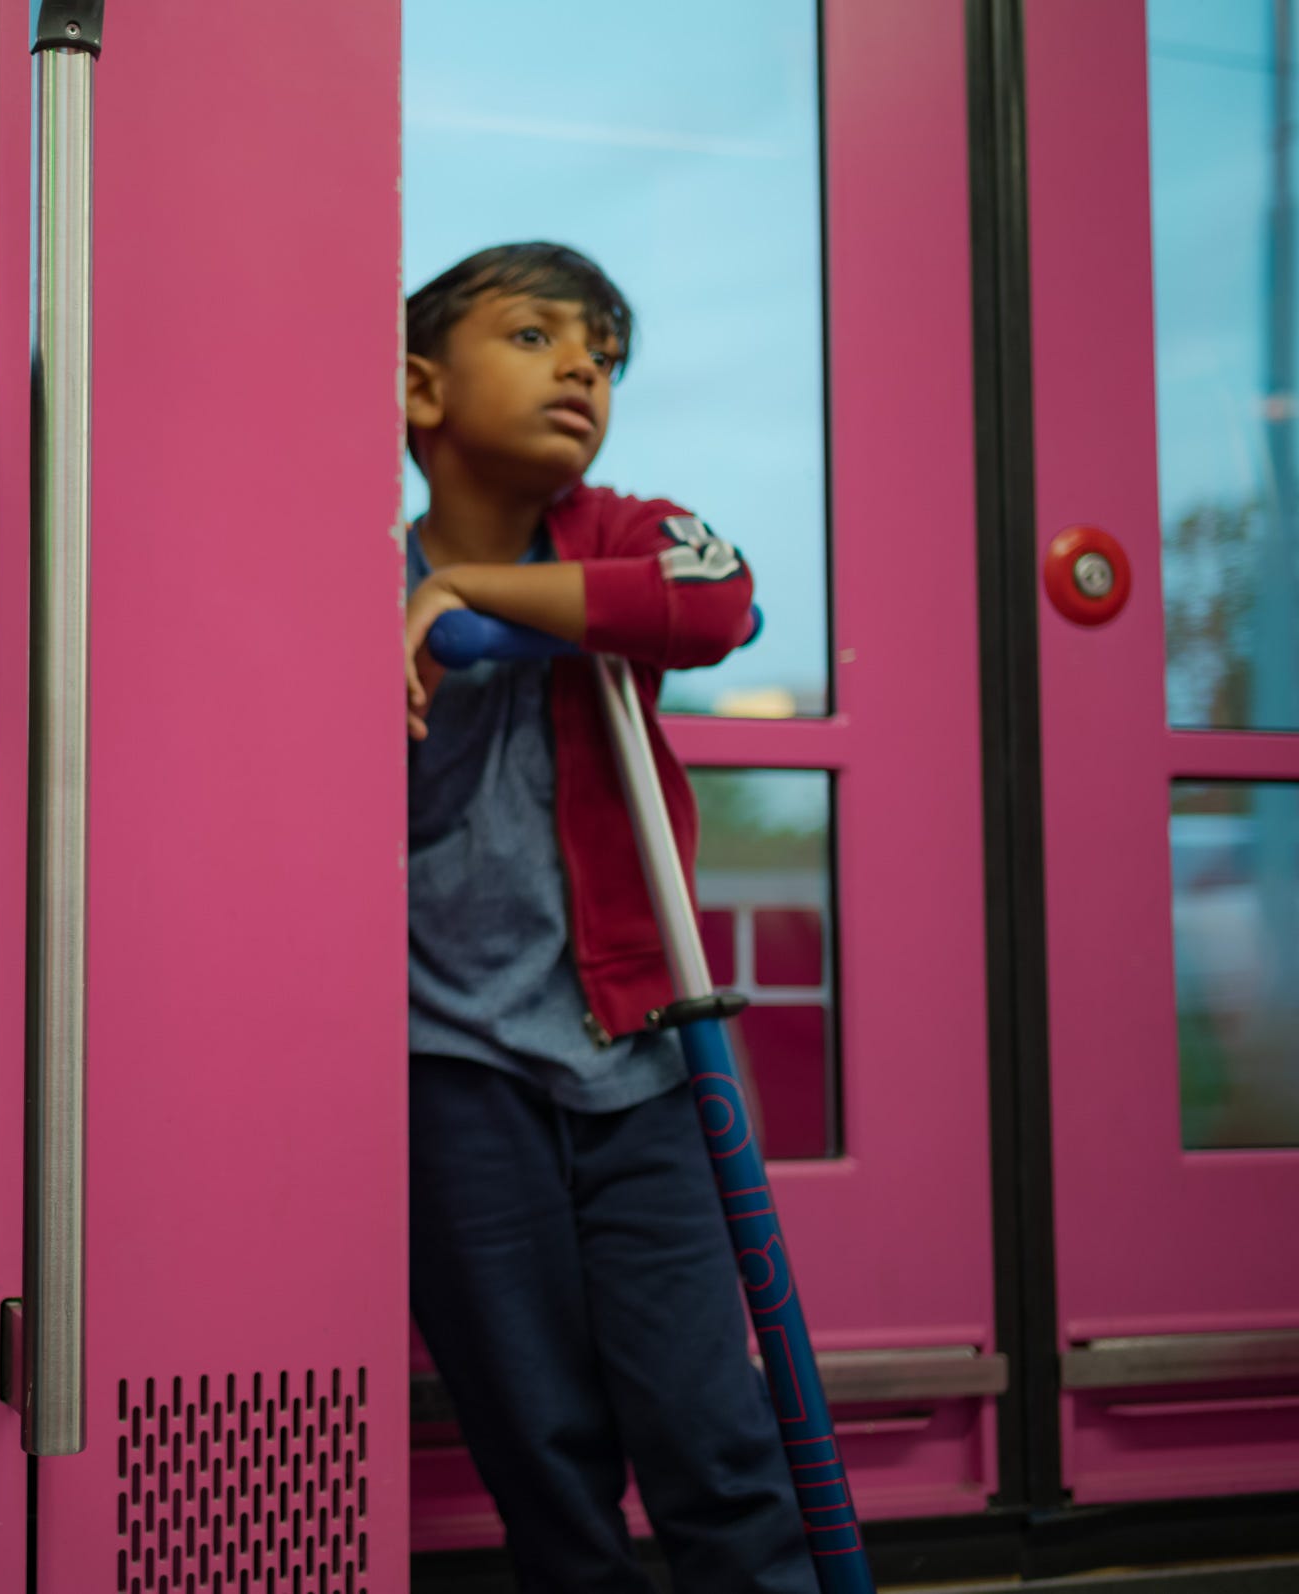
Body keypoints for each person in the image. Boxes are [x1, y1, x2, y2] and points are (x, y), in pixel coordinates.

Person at [399, 242, 813, 1593]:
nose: (583, 365)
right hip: (449, 1067)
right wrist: (411, 609)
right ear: (421, 388)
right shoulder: (346, 580)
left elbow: (719, 599)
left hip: (637, 1054)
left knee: (712, 1426)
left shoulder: (633, 527)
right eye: (535, 335)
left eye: (606, 354)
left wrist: (469, 594)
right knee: (542, 1449)